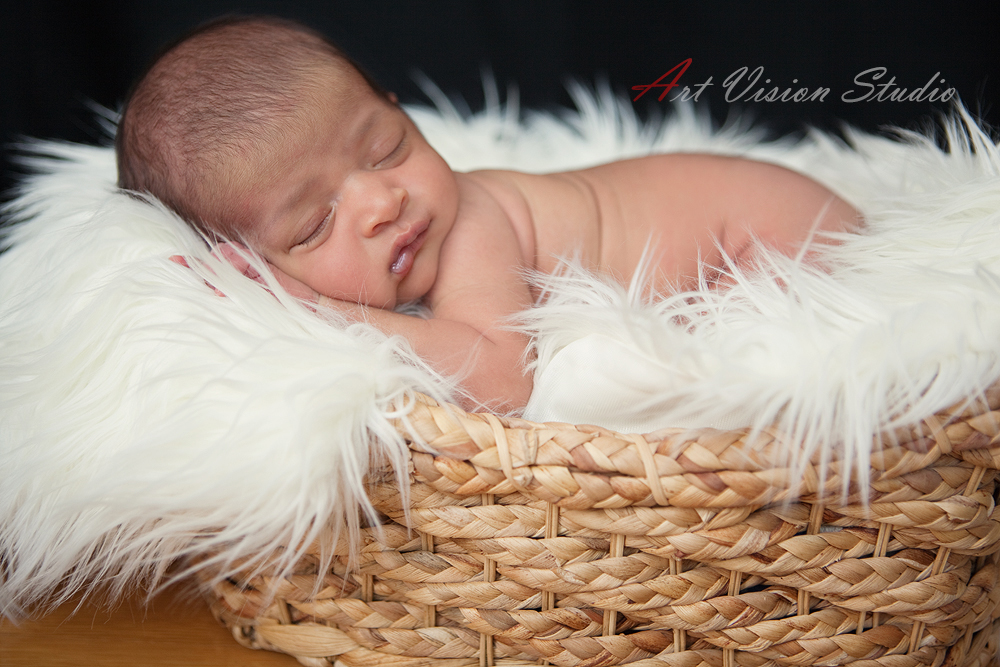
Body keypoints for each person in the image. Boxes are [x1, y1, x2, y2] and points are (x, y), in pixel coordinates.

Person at [116, 16, 860, 413]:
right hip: (765, 223)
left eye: (386, 149)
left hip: (768, 236)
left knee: (763, 385)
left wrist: (316, 307)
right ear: (251, 259)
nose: (382, 202)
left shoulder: (470, 219)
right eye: (313, 225)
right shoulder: (415, 245)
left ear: (405, 115)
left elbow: (503, 378)